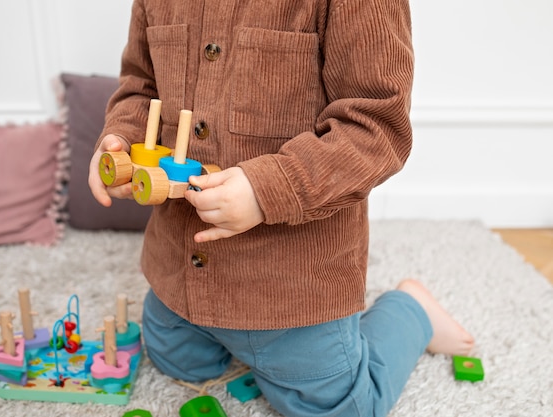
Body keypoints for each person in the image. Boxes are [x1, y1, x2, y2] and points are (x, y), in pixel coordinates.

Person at [88, 1, 475, 416]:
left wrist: (267, 189)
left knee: (345, 409)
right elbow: (140, 86)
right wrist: (120, 139)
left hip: (289, 289)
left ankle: (410, 310)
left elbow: (376, 128)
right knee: (174, 363)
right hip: (178, 272)